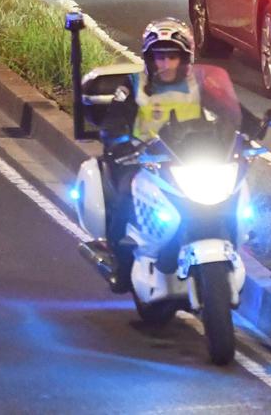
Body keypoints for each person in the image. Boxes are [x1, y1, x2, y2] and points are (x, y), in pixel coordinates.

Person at [87, 19, 244, 292]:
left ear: (185, 58)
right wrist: (121, 142)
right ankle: (120, 263)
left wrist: (255, 128)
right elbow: (113, 121)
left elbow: (233, 113)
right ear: (149, 58)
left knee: (231, 194)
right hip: (143, 160)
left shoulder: (201, 85)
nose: (165, 64)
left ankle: (225, 245)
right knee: (125, 196)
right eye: (159, 57)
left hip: (190, 159)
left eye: (172, 56)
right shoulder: (133, 85)